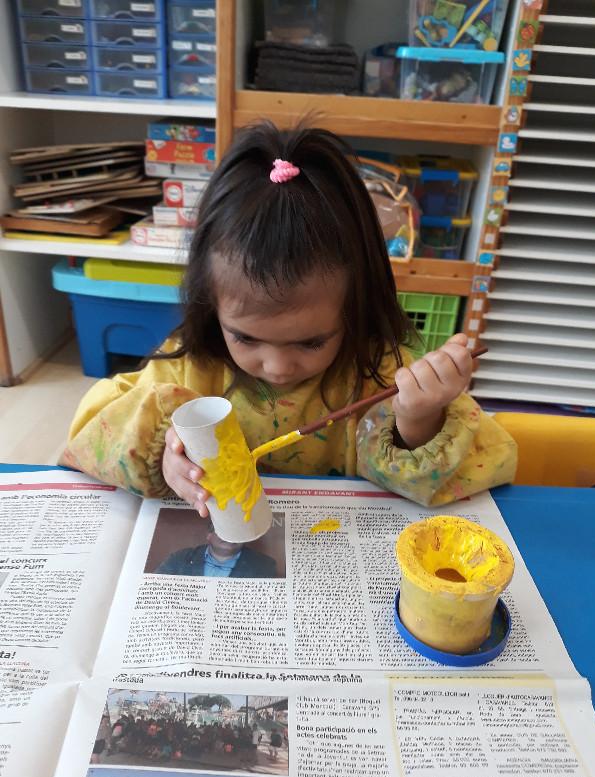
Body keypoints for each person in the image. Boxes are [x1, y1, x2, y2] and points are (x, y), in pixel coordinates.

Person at [62, 122, 516, 508]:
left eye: (311, 341)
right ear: (210, 305)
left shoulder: (380, 376)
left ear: (356, 309)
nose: (277, 367)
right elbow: (91, 434)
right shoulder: (191, 368)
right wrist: (162, 455)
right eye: (245, 337)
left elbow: (487, 463)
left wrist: (418, 420)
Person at [155, 525, 277, 578]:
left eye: (236, 532)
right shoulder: (181, 558)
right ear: (209, 535)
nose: (229, 537)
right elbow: (156, 586)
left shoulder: (264, 565)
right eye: (223, 530)